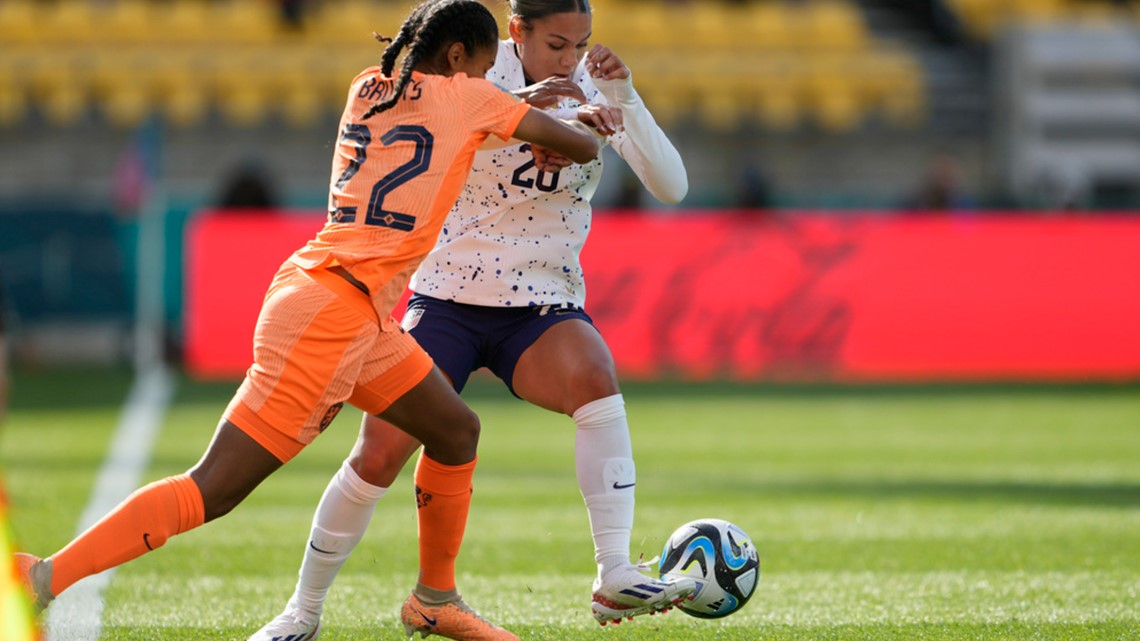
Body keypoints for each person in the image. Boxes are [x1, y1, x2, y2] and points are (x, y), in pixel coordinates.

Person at [13, 3, 600, 641]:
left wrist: (512, 103)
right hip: (330, 319)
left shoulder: (367, 87)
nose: (489, 78)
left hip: (347, 301)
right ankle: (43, 577)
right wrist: (566, 113)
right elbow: (581, 144)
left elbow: (451, 116)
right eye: (484, 67)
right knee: (214, 489)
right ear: (458, 57)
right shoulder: (474, 101)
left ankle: (435, 598)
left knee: (455, 430)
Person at [249, 0, 693, 638]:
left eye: (581, 44)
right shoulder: (473, 76)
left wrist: (624, 97)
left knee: (596, 378)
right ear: (518, 32)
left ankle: (615, 573)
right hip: (447, 296)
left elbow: (672, 186)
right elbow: (443, 137)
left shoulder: (595, 84)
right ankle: (302, 610)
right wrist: (534, 121)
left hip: (540, 300)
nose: (570, 59)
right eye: (556, 44)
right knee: (378, 453)